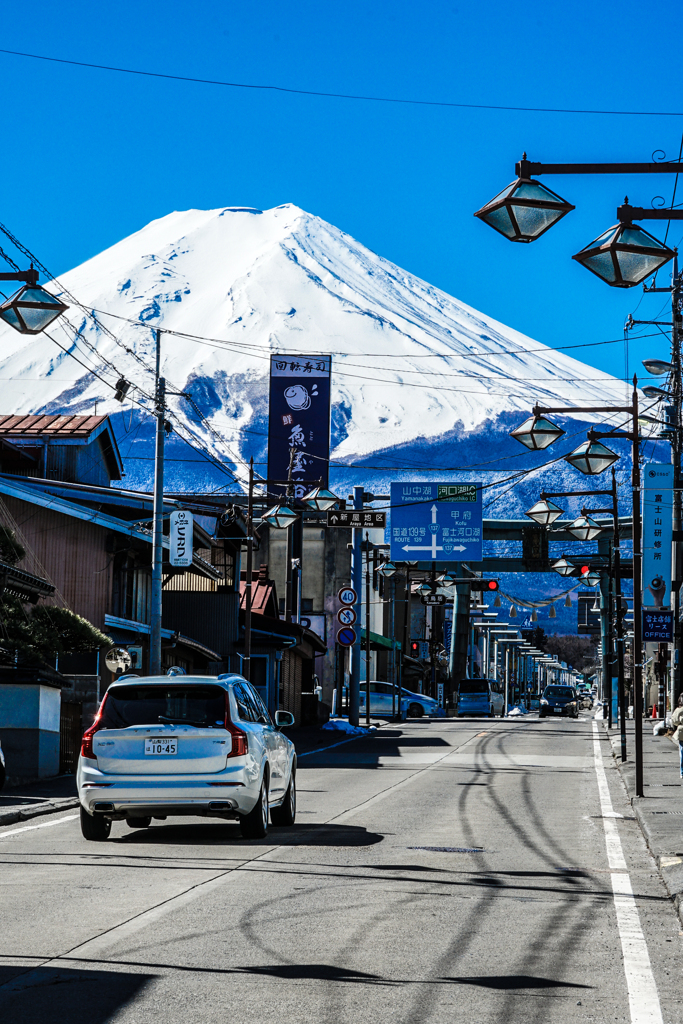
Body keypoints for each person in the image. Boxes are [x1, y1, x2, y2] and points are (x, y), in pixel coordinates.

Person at [671, 694, 683, 779]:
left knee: (682, 753)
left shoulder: (679, 710)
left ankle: (682, 772)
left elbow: (674, 721)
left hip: (682, 733)